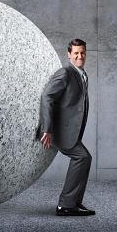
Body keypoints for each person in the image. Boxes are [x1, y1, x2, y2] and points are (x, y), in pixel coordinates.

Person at [37, 39, 95, 216]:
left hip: (71, 130)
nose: (80, 56)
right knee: (82, 157)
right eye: (76, 53)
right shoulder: (66, 73)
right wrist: (46, 128)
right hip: (59, 131)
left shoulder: (81, 74)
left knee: (86, 158)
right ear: (69, 55)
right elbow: (47, 96)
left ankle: (75, 202)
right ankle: (65, 205)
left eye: (82, 53)